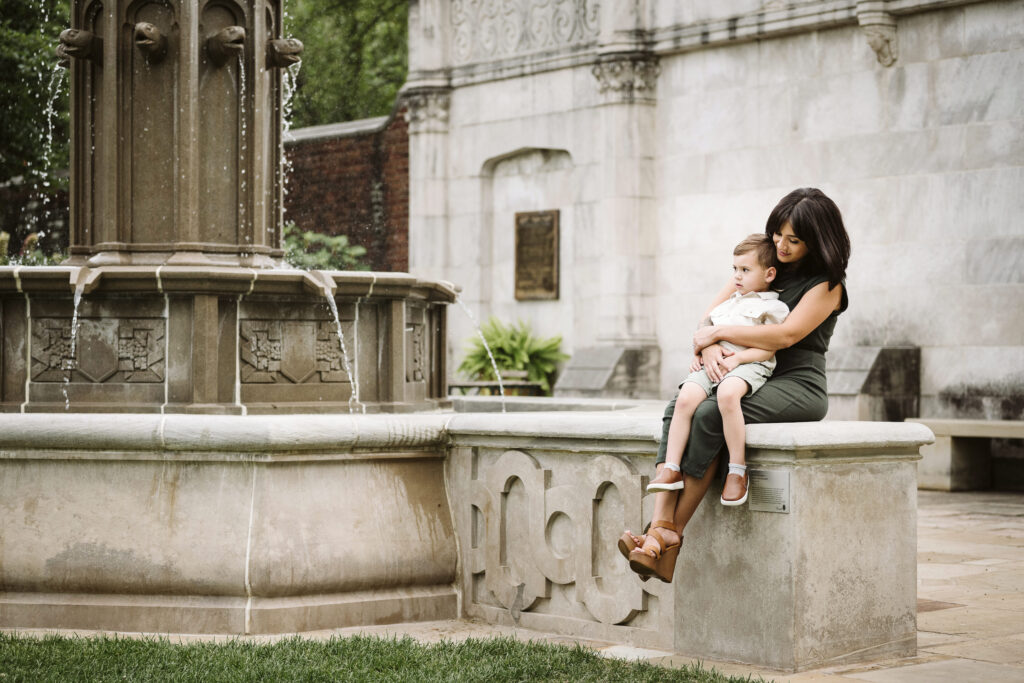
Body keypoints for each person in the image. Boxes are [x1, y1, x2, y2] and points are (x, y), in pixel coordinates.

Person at [619, 187, 851, 583]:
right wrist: (708, 349)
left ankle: (668, 535)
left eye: (793, 240)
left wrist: (716, 337)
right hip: (740, 372)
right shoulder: (759, 266)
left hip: (795, 383)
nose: (781, 245)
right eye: (778, 234)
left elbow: (784, 337)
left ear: (818, 241)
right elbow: (708, 320)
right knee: (680, 404)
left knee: (710, 413)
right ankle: (658, 530)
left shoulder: (827, 285)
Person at [646, 234, 789, 507]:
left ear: (769, 274)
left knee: (727, 395)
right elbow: (706, 333)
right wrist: (702, 351)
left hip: (749, 364)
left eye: (745, 270)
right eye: (735, 269)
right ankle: (671, 467)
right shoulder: (726, 305)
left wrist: (738, 360)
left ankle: (737, 470)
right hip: (713, 364)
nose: (737, 276)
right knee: (686, 397)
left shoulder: (773, 308)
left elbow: (769, 349)